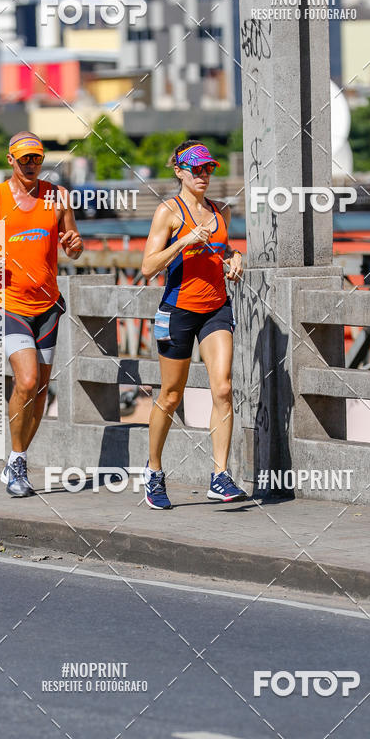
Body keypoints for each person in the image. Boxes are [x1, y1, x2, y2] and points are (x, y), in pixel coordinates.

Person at [0, 132, 83, 498]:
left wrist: (75, 245)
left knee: (40, 390)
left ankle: (17, 459)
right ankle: (17, 461)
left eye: (36, 158)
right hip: (8, 305)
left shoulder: (58, 198)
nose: (30, 164)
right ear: (10, 159)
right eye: (23, 158)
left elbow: (74, 247)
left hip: (48, 307)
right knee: (26, 381)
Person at [141, 140, 247, 509]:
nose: (203, 174)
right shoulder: (168, 212)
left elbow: (222, 248)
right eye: (195, 168)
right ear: (179, 171)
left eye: (208, 168)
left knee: (223, 388)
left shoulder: (221, 211)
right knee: (171, 395)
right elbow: (148, 266)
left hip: (216, 308)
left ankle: (220, 475)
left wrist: (235, 257)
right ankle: (154, 470)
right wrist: (183, 241)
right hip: (178, 310)